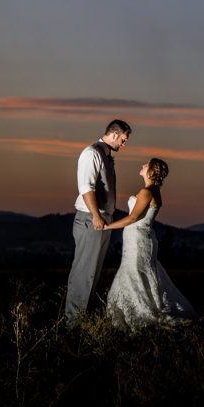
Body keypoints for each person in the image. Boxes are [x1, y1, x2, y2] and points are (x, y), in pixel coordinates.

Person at [104, 157, 199, 330]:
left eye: (146, 164)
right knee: (139, 274)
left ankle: (141, 316)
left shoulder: (146, 192)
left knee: (135, 274)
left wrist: (107, 227)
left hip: (138, 239)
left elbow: (133, 217)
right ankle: (136, 312)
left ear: (151, 171)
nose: (142, 165)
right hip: (141, 238)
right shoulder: (154, 191)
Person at [65, 119, 131, 324]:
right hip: (91, 219)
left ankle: (83, 320)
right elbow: (86, 188)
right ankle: (72, 324)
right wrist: (96, 216)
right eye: (123, 139)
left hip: (103, 220)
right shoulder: (92, 153)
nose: (124, 144)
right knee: (84, 273)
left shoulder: (106, 156)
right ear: (113, 134)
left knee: (93, 273)